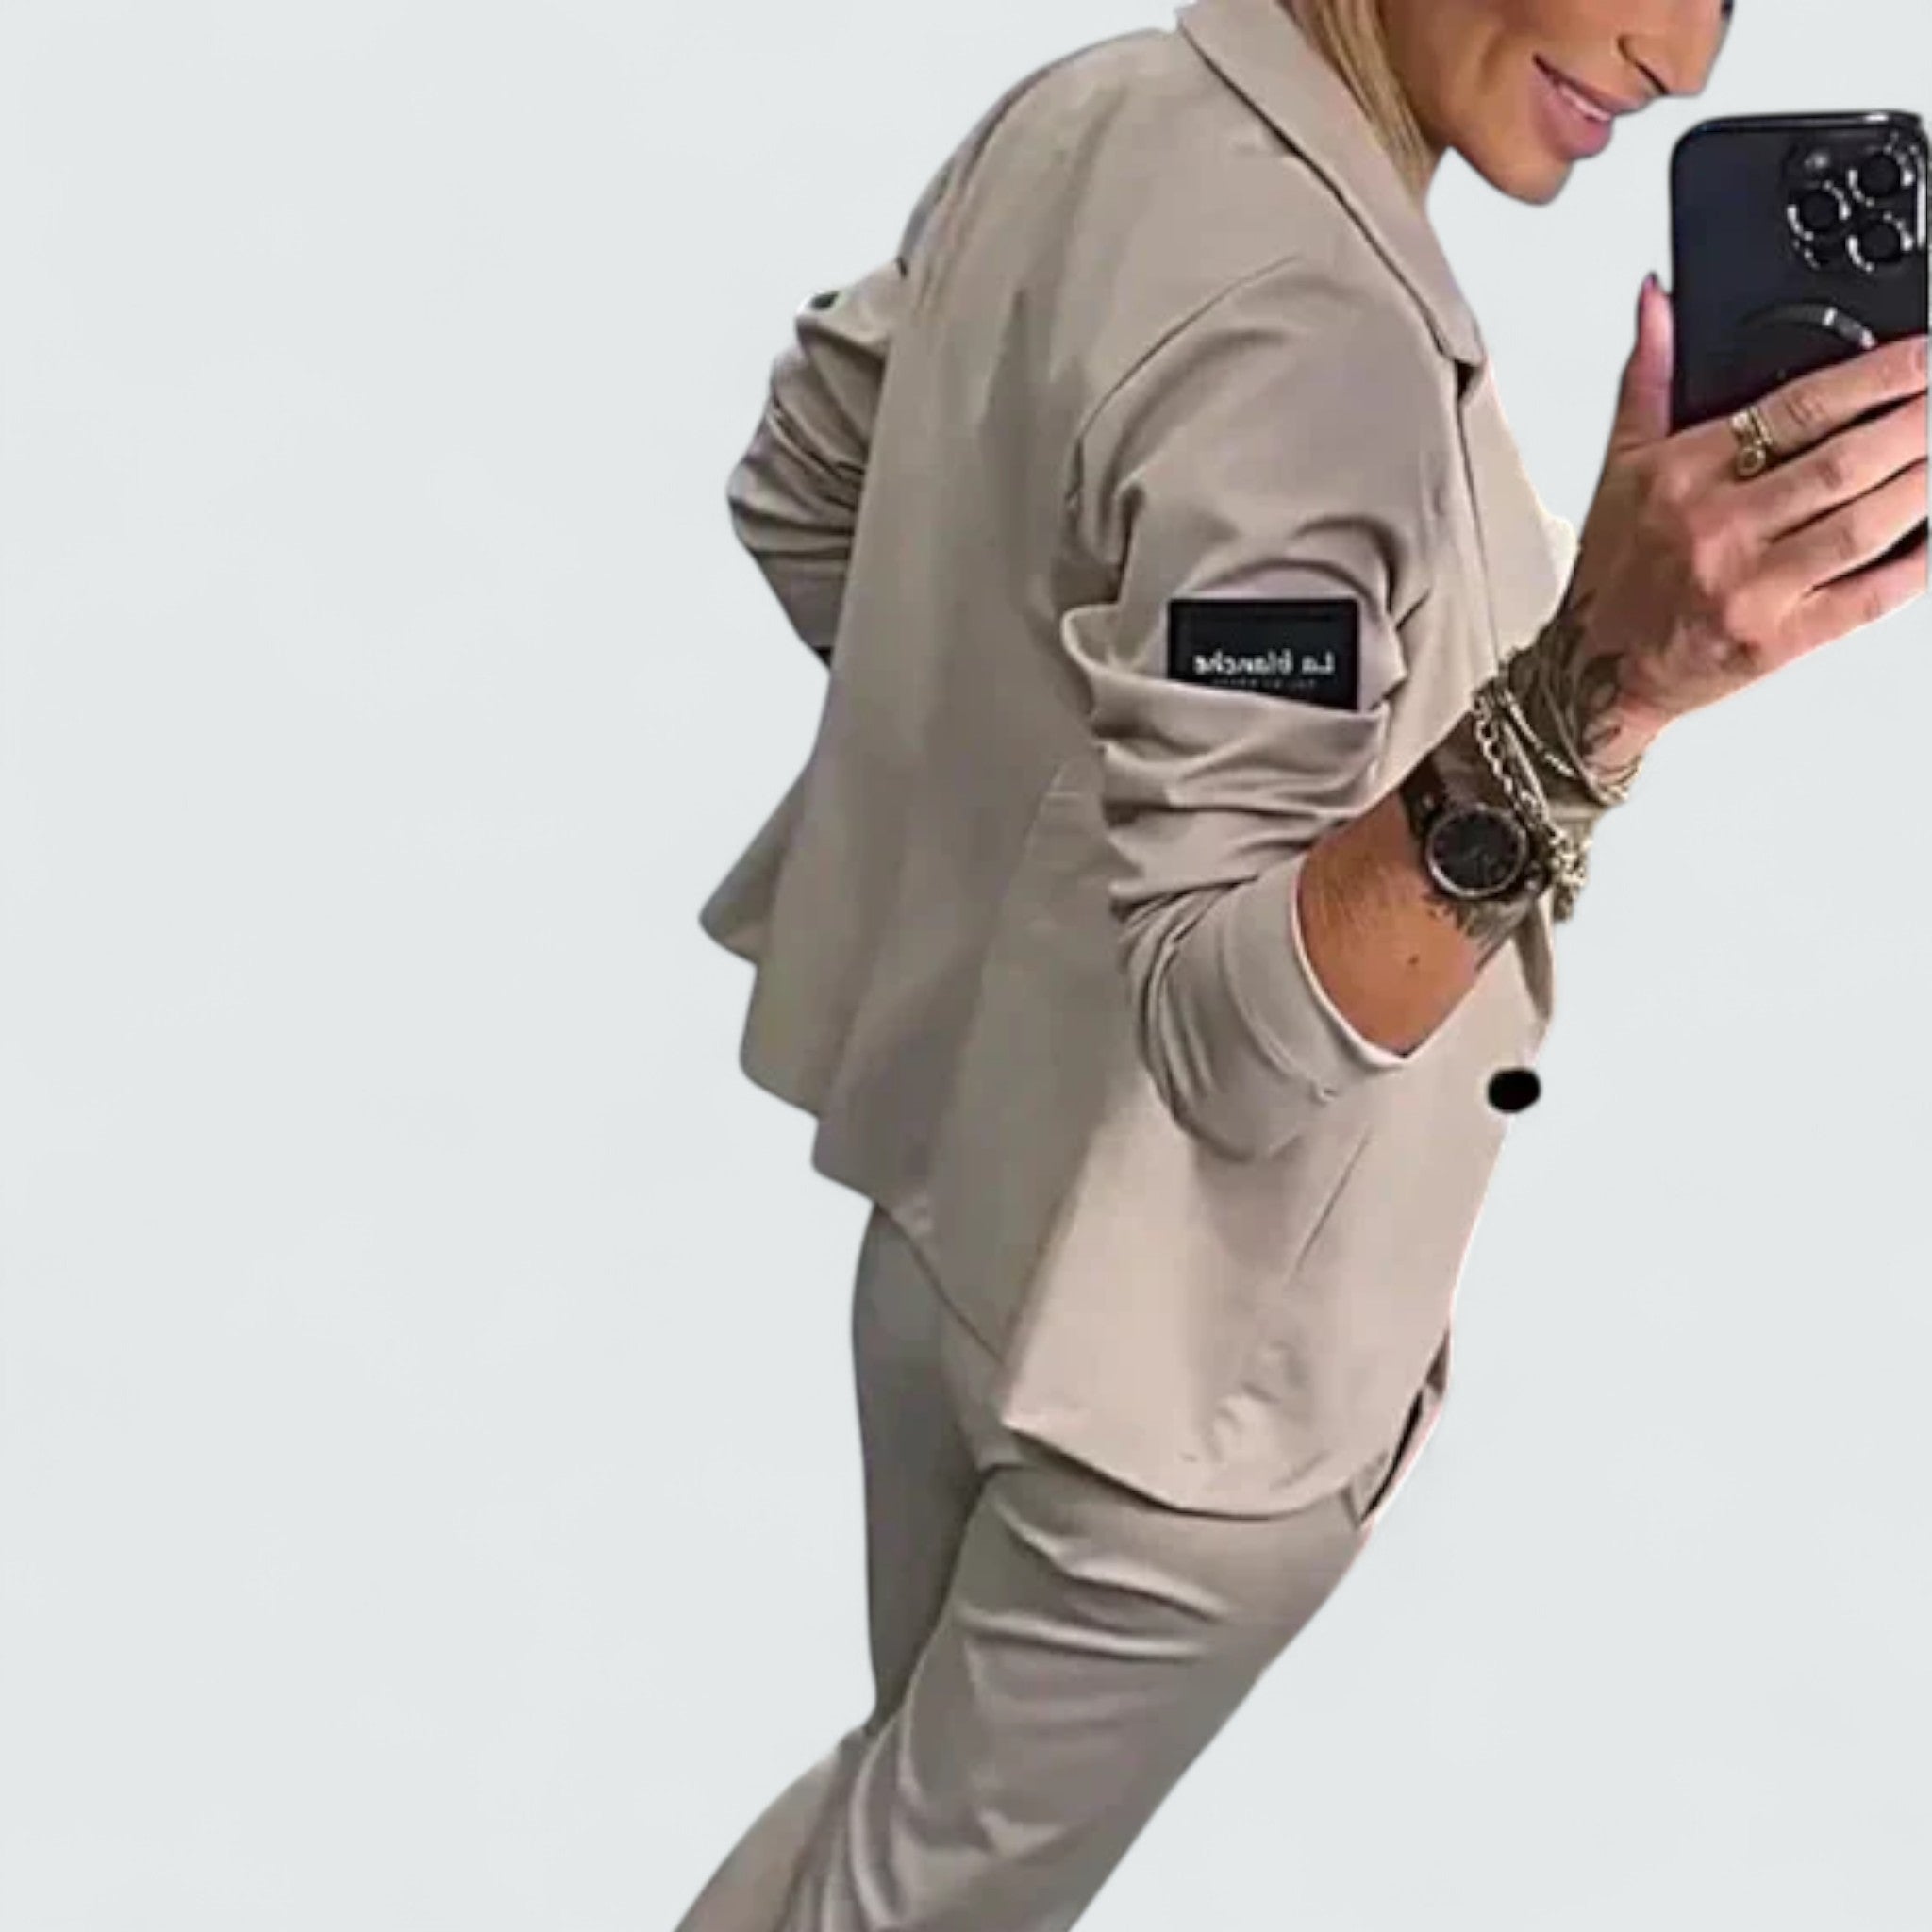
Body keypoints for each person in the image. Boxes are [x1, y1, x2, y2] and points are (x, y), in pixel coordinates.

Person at [675, 0, 1929, 1924]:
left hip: (958, 1230)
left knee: (893, 1820)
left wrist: (1086, 813)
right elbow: (1240, 1043)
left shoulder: (1102, 112)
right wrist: (1598, 692)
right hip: (1172, 1405)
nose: (1678, 55)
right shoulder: (1311, 344)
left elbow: (809, 487)